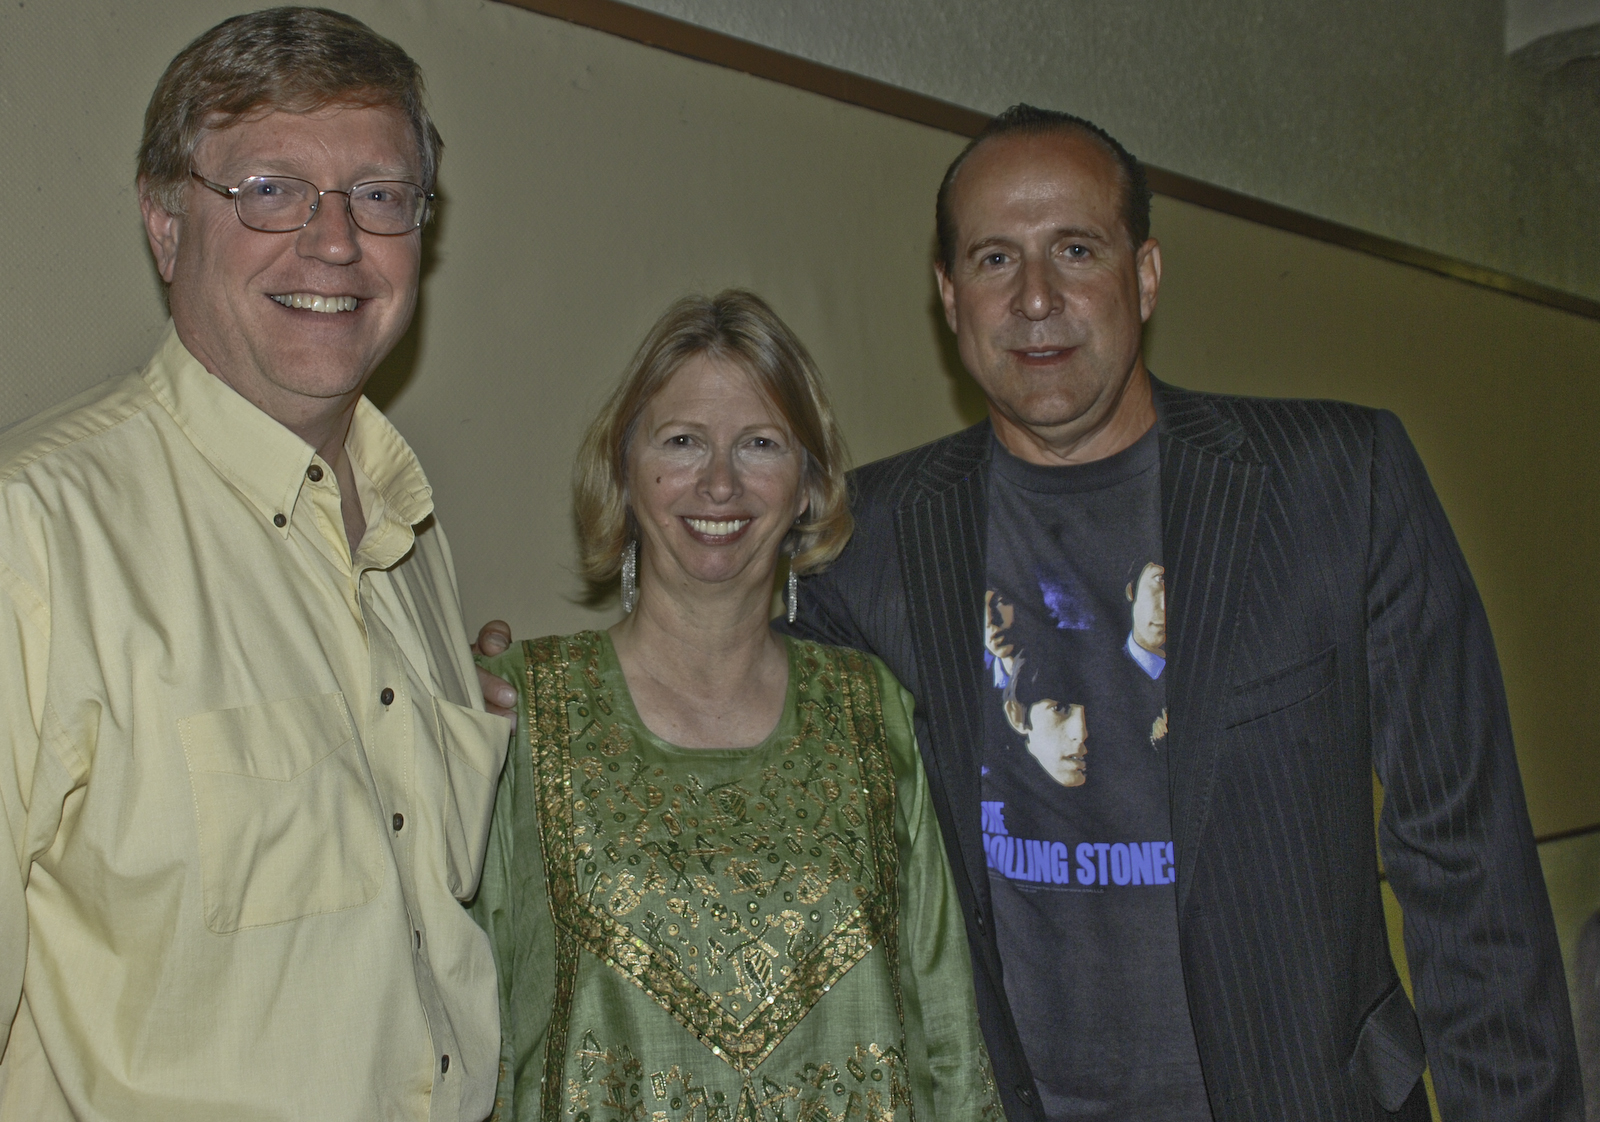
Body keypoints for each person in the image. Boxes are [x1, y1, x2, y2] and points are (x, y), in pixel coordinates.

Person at [772, 104, 1581, 1121]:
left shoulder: (1337, 485)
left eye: (1075, 249)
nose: (1035, 298)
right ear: (947, 295)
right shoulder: (864, 536)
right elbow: (743, 734)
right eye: (992, 259)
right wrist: (536, 701)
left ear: (1143, 275)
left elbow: (1465, 864)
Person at [0, 10, 509, 1119]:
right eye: (270, 189)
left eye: (379, 195)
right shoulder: (32, 538)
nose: (334, 243)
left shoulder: (412, 542)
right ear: (166, 224)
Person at [469, 290, 1002, 1121]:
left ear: (808, 486)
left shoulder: (877, 713)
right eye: (682, 441)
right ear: (623, 469)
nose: (719, 482)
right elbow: (467, 1031)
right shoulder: (518, 708)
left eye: (759, 444)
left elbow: (947, 1035)